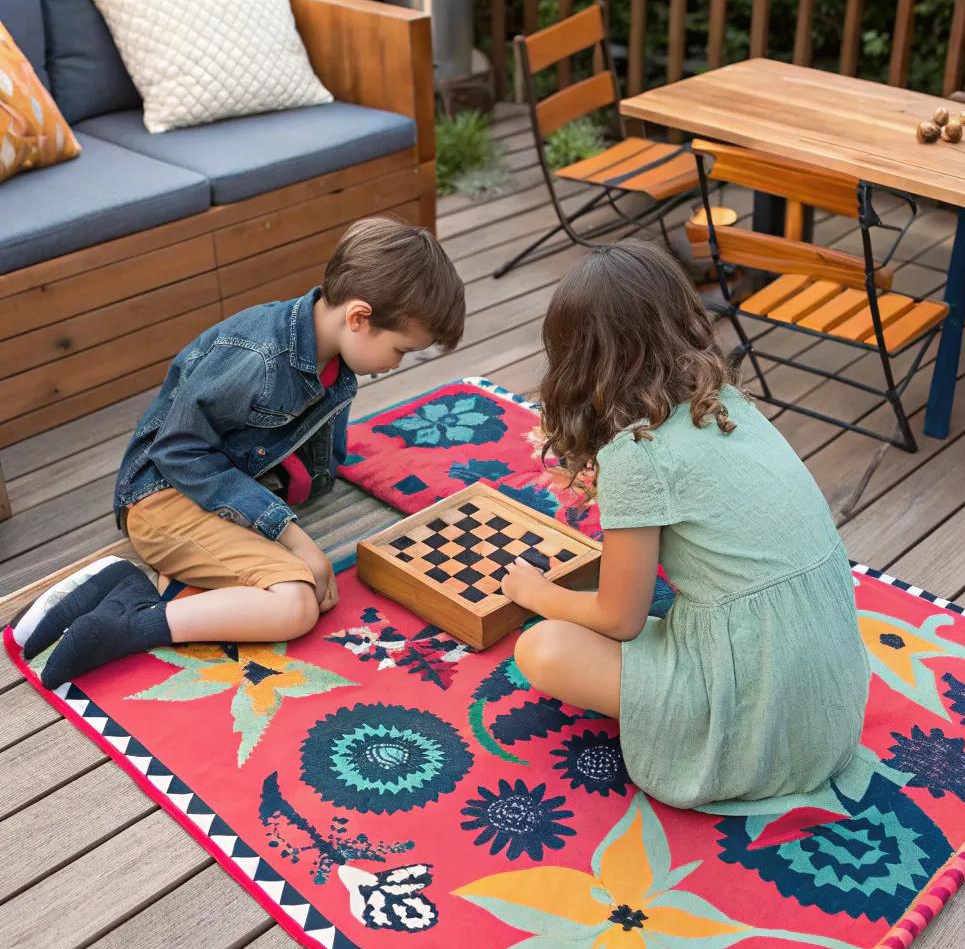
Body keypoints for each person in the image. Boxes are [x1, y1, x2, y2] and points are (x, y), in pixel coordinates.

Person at [503, 241, 869, 810]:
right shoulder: (729, 405)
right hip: (831, 705)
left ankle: (708, 736)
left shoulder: (637, 454)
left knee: (542, 648)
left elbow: (618, 619)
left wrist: (537, 593)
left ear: (577, 359)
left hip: (758, 722)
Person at [28, 217, 464, 689]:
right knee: (295, 604)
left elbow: (313, 459)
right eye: (400, 350)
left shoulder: (335, 366)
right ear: (359, 317)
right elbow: (177, 451)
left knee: (309, 591)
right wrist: (291, 535)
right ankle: (136, 612)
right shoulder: (258, 359)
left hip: (216, 499)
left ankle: (134, 593)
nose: (396, 364)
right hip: (161, 499)